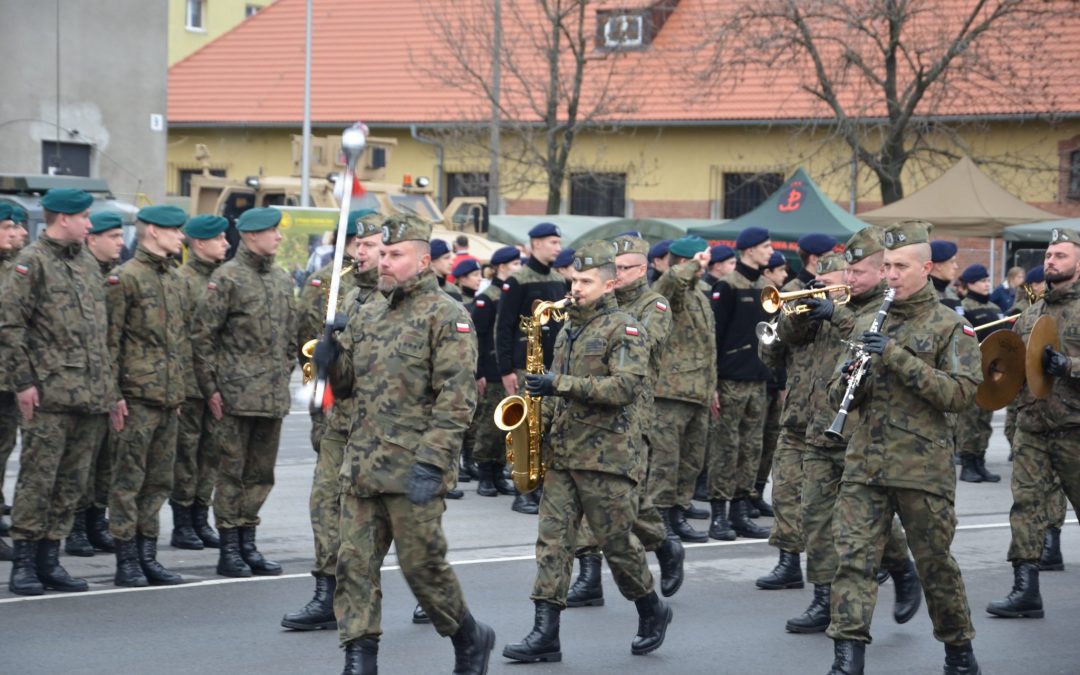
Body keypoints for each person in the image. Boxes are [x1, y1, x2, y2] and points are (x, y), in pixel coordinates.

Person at [320, 213, 495, 675]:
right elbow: (348, 385)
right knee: (353, 565)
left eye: (395, 254)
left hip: (412, 466)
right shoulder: (368, 311)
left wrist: (433, 462)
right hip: (362, 465)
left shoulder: (447, 316)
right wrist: (331, 358)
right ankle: (359, 657)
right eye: (382, 253)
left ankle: (468, 636)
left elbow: (457, 399)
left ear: (421, 261)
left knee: (422, 567)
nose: (383, 262)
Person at [824, 219, 982, 675]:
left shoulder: (951, 326)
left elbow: (960, 395)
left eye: (900, 267)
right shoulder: (867, 321)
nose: (891, 275)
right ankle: (847, 658)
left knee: (935, 567)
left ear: (926, 268)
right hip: (865, 465)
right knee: (853, 562)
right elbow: (835, 395)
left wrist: (895, 356)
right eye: (887, 266)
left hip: (921, 468)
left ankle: (959, 653)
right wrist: (852, 377)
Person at [502, 240, 672, 664]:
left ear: (609, 284)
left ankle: (651, 608)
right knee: (553, 544)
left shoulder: (625, 328)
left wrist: (558, 384)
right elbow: (552, 393)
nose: (575, 288)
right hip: (563, 454)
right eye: (574, 280)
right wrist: (534, 430)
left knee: (617, 544)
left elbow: (624, 387)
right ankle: (545, 633)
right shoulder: (567, 329)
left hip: (607, 456)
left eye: (585, 281)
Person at [785, 236, 920, 636]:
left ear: (881, 271)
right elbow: (789, 341)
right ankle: (822, 598)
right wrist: (801, 313)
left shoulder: (889, 306)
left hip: (862, 432)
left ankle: (902, 569)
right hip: (819, 426)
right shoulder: (835, 299)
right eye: (848, 271)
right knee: (815, 517)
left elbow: (864, 341)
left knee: (867, 520)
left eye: (858, 272)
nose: (850, 278)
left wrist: (835, 313)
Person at [1, 188, 116, 596]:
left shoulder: (86, 262)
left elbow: (100, 333)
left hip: (90, 393)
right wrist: (23, 383)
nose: (89, 224)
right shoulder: (31, 262)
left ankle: (50, 560)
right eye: (84, 217)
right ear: (63, 218)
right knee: (38, 479)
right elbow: (10, 327)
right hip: (49, 394)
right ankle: (25, 563)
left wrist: (109, 390)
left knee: (72, 482)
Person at [563, 235, 684, 608]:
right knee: (591, 490)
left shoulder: (654, 305)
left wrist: (607, 317)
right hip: (586, 407)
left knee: (621, 497)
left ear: (642, 269)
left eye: (623, 268)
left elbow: (645, 347)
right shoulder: (590, 302)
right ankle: (589, 576)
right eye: (612, 268)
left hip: (630, 411)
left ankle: (663, 544)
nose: (615, 274)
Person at [282, 210, 384, 632]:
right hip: (339, 421)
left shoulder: (401, 298)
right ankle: (327, 593)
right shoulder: (344, 290)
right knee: (325, 504)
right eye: (358, 244)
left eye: (371, 245)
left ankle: (425, 589)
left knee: (392, 518)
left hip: (382, 428)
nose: (361, 252)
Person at [191, 207, 297, 578]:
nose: (278, 237)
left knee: (261, 474)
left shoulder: (282, 279)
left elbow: (290, 336)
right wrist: (211, 388)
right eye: (272, 231)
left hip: (272, 396)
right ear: (251, 235)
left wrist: (284, 372)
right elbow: (203, 336)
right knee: (231, 475)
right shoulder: (227, 278)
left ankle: (248, 542)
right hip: (235, 397)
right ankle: (229, 548)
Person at [986, 227, 1080, 622]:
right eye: (1048, 255)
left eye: (1060, 255)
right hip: (1032, 426)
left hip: (1074, 427)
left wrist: (1069, 366)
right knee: (1025, 506)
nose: (1050, 261)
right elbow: (1014, 365)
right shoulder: (1031, 312)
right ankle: (1025, 589)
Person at [105, 205, 190, 587]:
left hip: (168, 397)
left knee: (158, 482)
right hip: (135, 397)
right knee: (128, 481)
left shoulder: (173, 278)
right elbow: (109, 342)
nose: (181, 237)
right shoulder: (125, 278)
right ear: (153, 231)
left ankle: (147, 554)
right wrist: (113, 394)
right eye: (175, 230)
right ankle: (126, 558)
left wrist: (179, 390)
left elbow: (179, 342)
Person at [754, 232, 837, 592]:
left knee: (841, 499)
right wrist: (796, 319)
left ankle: (880, 559)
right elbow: (771, 355)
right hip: (798, 413)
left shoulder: (850, 299)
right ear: (815, 259)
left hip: (837, 417)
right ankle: (788, 562)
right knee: (786, 490)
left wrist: (836, 309)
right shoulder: (790, 292)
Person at [53, 211, 124, 558]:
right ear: (92, 240)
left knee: (107, 460)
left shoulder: (116, 276)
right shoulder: (80, 273)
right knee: (82, 461)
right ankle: (77, 528)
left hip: (109, 381)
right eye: (113, 237)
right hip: (78, 382)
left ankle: (97, 522)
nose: (120, 243)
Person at [649, 236, 718, 543]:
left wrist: (712, 387)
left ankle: (678, 512)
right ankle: (659, 519)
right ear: (683, 262)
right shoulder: (667, 291)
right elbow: (671, 282)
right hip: (671, 391)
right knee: (666, 460)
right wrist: (693, 263)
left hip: (699, 390)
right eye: (698, 262)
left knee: (691, 461)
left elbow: (707, 346)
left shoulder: (700, 294)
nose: (703, 267)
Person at [169, 214, 231, 552]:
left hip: (218, 383)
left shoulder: (223, 278)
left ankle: (200, 516)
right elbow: (178, 337)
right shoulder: (181, 280)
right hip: (191, 385)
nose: (226, 243)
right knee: (186, 455)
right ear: (199, 243)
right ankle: (182, 522)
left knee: (211, 454)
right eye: (219, 238)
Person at [708, 226, 774, 539]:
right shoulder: (728, 285)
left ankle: (740, 510)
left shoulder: (766, 286)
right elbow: (714, 336)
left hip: (758, 378)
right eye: (766, 246)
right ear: (749, 250)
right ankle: (718, 514)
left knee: (751, 447)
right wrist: (712, 383)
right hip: (730, 378)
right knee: (726, 446)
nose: (771, 251)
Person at [496, 222, 565, 514]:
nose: (558, 248)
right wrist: (506, 370)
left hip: (552, 367)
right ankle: (522, 491)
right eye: (552, 242)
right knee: (526, 428)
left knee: (546, 429)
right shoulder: (518, 280)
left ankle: (539, 487)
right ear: (536, 244)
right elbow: (504, 326)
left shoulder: (559, 280)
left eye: (559, 243)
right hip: (525, 366)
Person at [472, 246, 522, 498]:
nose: (519, 268)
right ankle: (485, 473)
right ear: (502, 267)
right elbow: (478, 337)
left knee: (506, 423)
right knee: (490, 423)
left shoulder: (513, 292)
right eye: (515, 264)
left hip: (508, 366)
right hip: (491, 370)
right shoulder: (487, 297)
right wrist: (479, 371)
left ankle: (499, 470)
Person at [956, 264, 1002, 484]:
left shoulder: (994, 307)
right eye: (982, 281)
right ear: (970, 284)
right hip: (974, 369)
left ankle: (980, 461)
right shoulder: (964, 307)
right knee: (970, 420)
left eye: (987, 280)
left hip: (993, 370)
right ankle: (967, 464)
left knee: (984, 419)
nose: (986, 284)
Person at [0, 204, 21, 561]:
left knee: (3, 450)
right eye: (7, 227)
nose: (16, 233)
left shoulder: (12, 268)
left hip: (7, 379)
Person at [929, 239, 962, 311]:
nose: (956, 266)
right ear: (939, 266)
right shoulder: (925, 296)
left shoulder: (951, 294)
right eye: (952, 262)